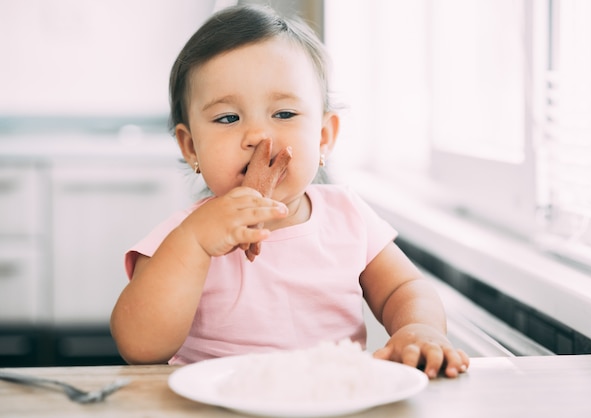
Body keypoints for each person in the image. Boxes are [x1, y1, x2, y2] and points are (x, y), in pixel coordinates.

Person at [110, 4, 469, 379]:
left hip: (329, 398)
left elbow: (403, 288)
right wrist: (195, 242)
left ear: (323, 136)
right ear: (191, 148)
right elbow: (139, 348)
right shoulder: (184, 235)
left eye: (283, 114)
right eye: (228, 118)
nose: (258, 136)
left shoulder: (348, 215)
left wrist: (418, 328)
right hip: (217, 403)